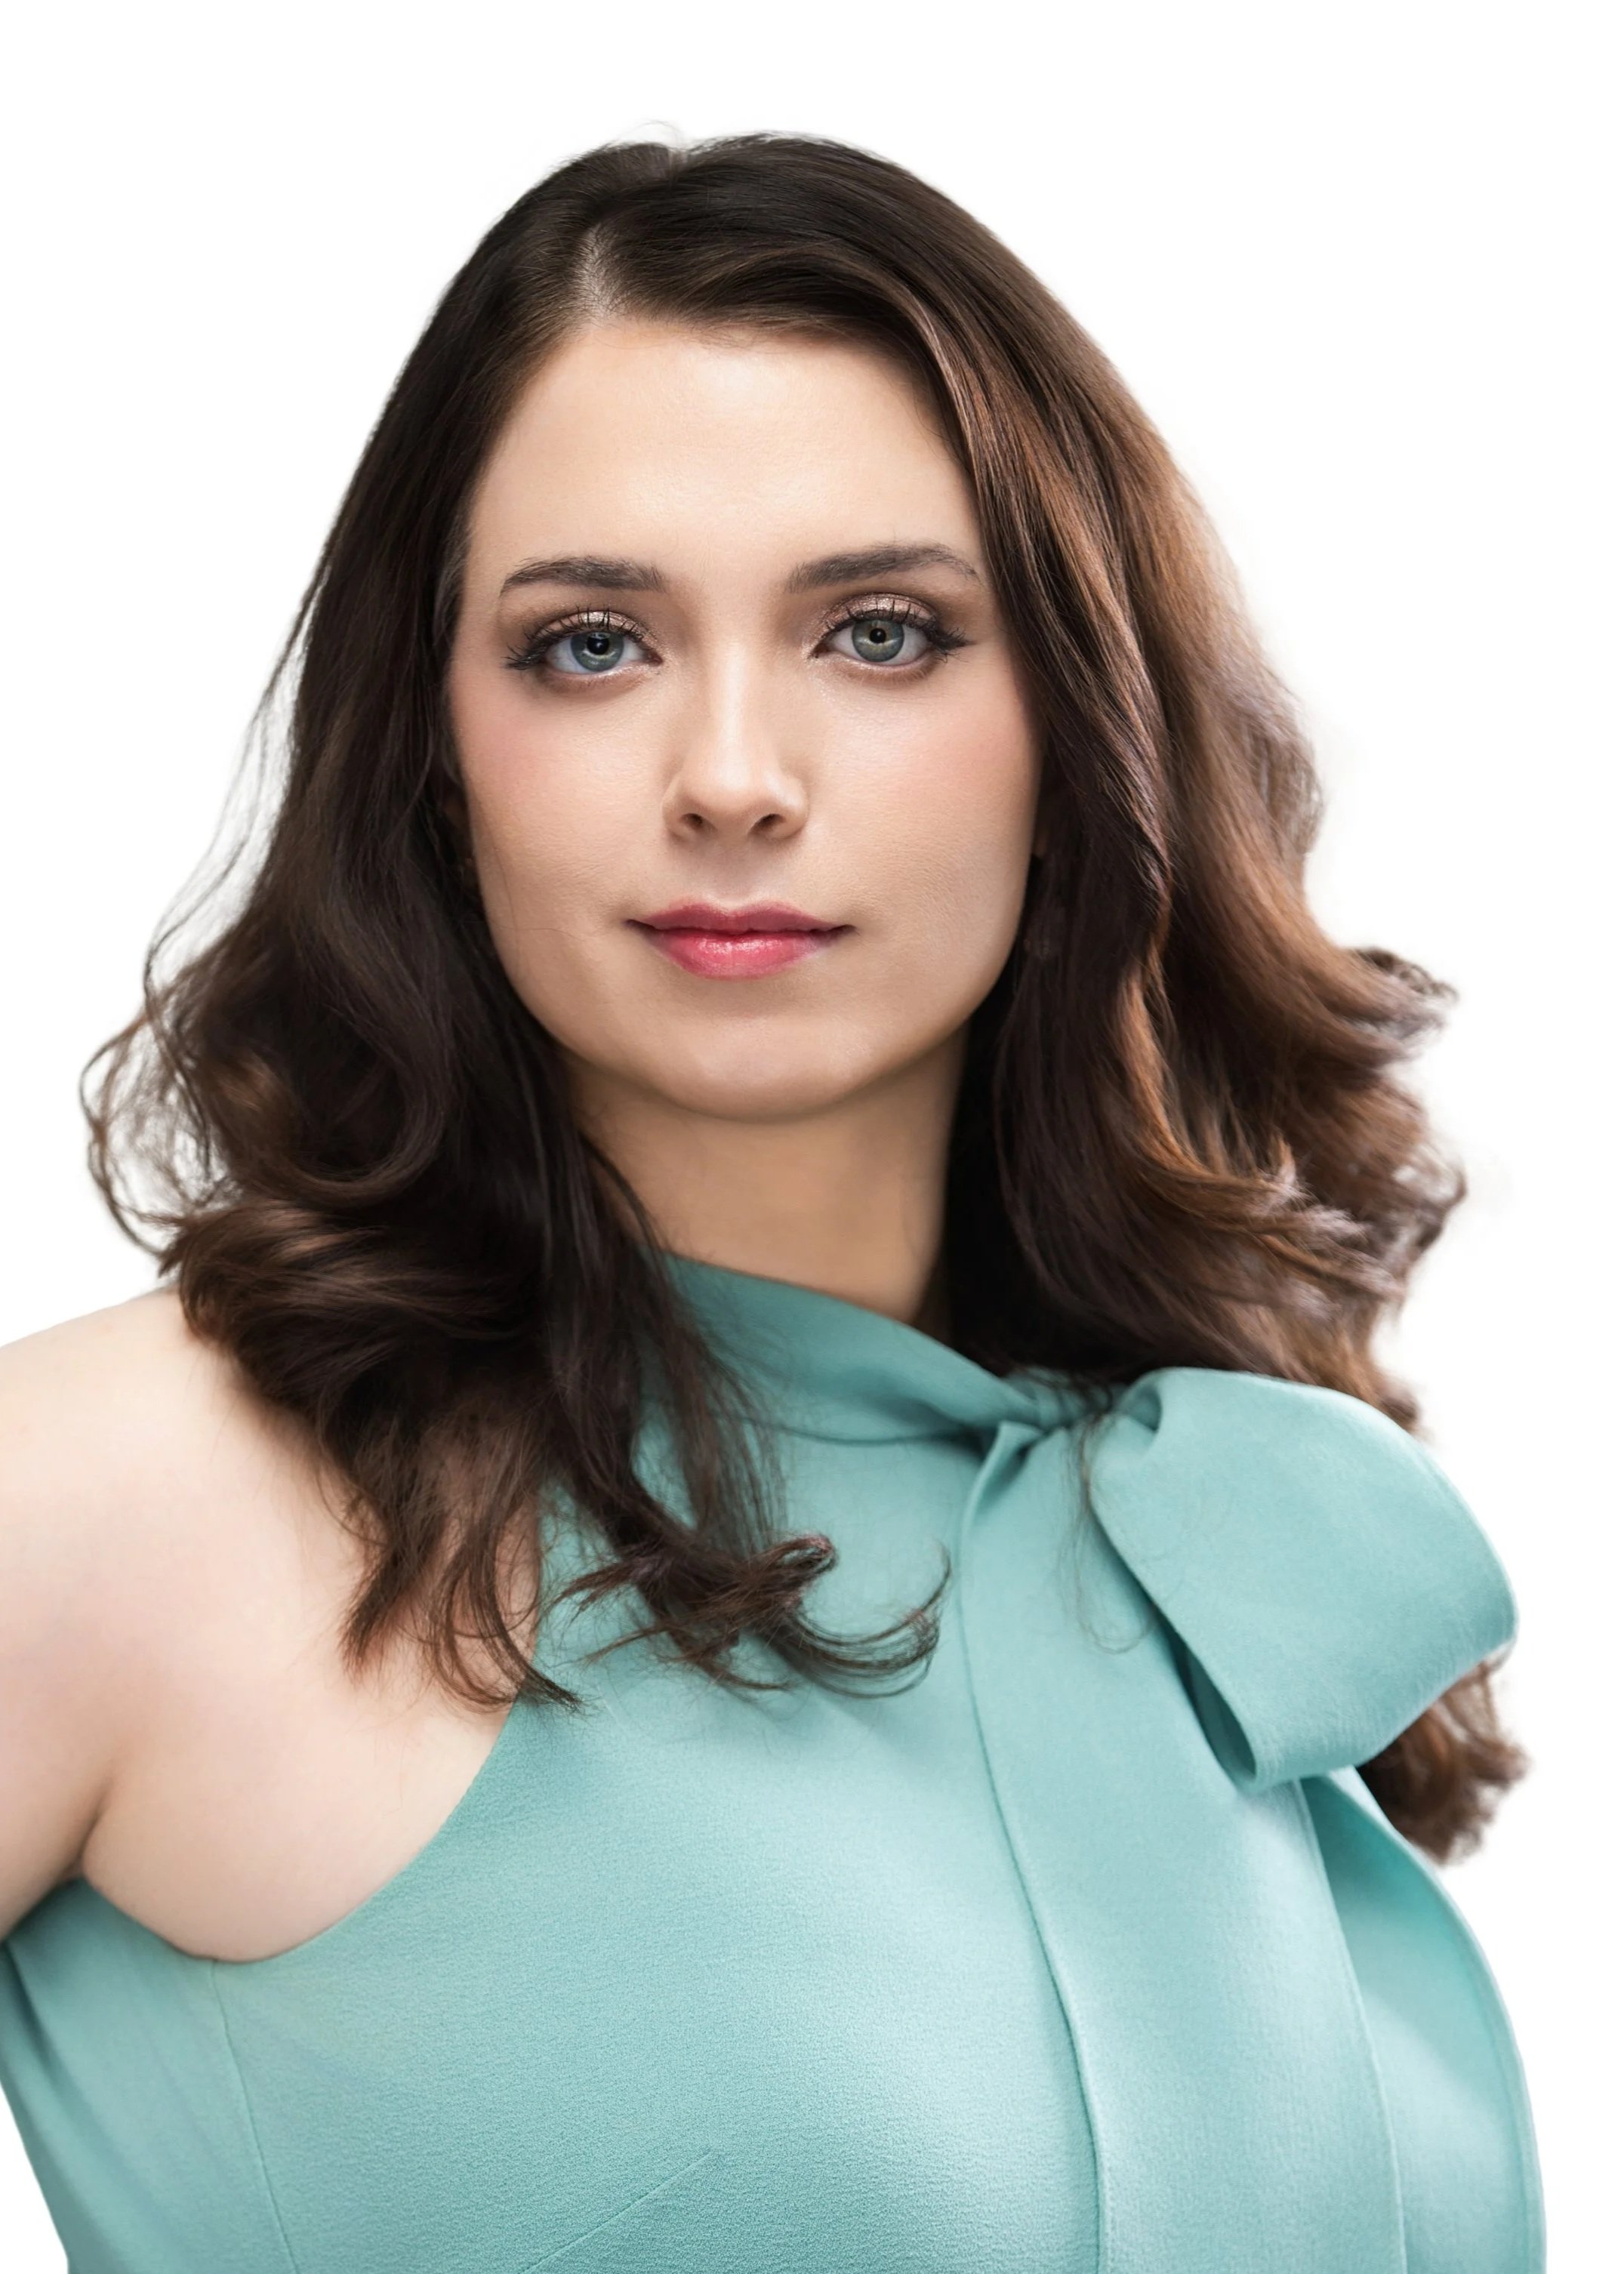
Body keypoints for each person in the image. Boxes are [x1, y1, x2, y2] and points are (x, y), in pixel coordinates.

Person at [0, 130, 1543, 2272]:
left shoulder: (1192, 1525)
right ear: (435, 743)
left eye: (885, 632)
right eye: (592, 643)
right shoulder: (124, 1495)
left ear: (1077, 730)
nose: (734, 769)